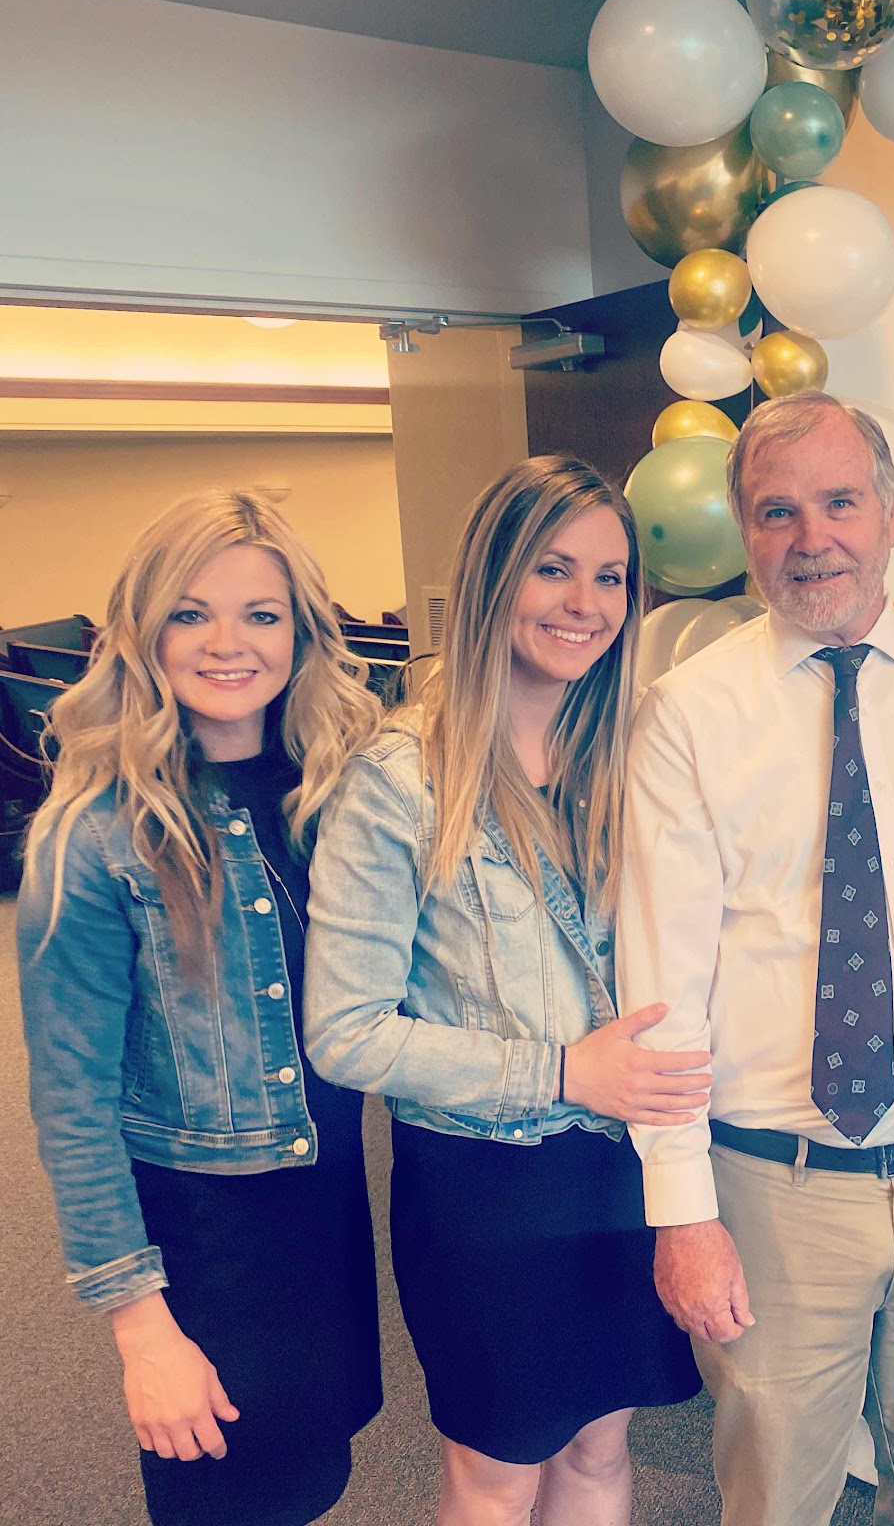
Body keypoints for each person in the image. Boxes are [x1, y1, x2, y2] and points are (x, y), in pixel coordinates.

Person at [616, 391, 894, 1526]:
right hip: (776, 1189)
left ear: (890, 514)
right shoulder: (687, 714)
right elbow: (660, 985)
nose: (812, 538)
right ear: (744, 531)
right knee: (776, 1504)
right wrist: (682, 1210)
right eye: (777, 512)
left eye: (840, 502)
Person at [302, 453, 703, 1526]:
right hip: (488, 1179)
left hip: (622, 1168)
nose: (585, 604)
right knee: (497, 1474)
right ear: (493, 576)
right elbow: (344, 1032)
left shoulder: (633, 747)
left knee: (601, 1451)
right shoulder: (399, 777)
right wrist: (562, 1071)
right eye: (552, 569)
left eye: (611, 577)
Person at [16, 491, 384, 1526]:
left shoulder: (334, 795)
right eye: (191, 613)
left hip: (322, 1211)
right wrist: (143, 1332)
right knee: (225, 1499)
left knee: (309, 1483)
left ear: (302, 632)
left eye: (261, 614)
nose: (229, 643)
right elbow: (73, 1107)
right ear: (143, 631)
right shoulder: (94, 835)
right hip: (207, 1243)